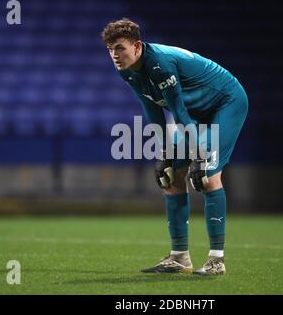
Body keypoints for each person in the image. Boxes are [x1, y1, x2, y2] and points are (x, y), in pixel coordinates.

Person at [101, 18, 248, 275]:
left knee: (207, 174)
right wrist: (165, 155)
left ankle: (216, 260)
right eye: (110, 49)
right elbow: (152, 108)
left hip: (226, 102)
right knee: (170, 177)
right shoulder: (125, 68)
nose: (114, 54)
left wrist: (198, 157)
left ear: (136, 46)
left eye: (120, 48)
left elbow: (178, 112)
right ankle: (180, 257)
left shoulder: (160, 64)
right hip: (195, 112)